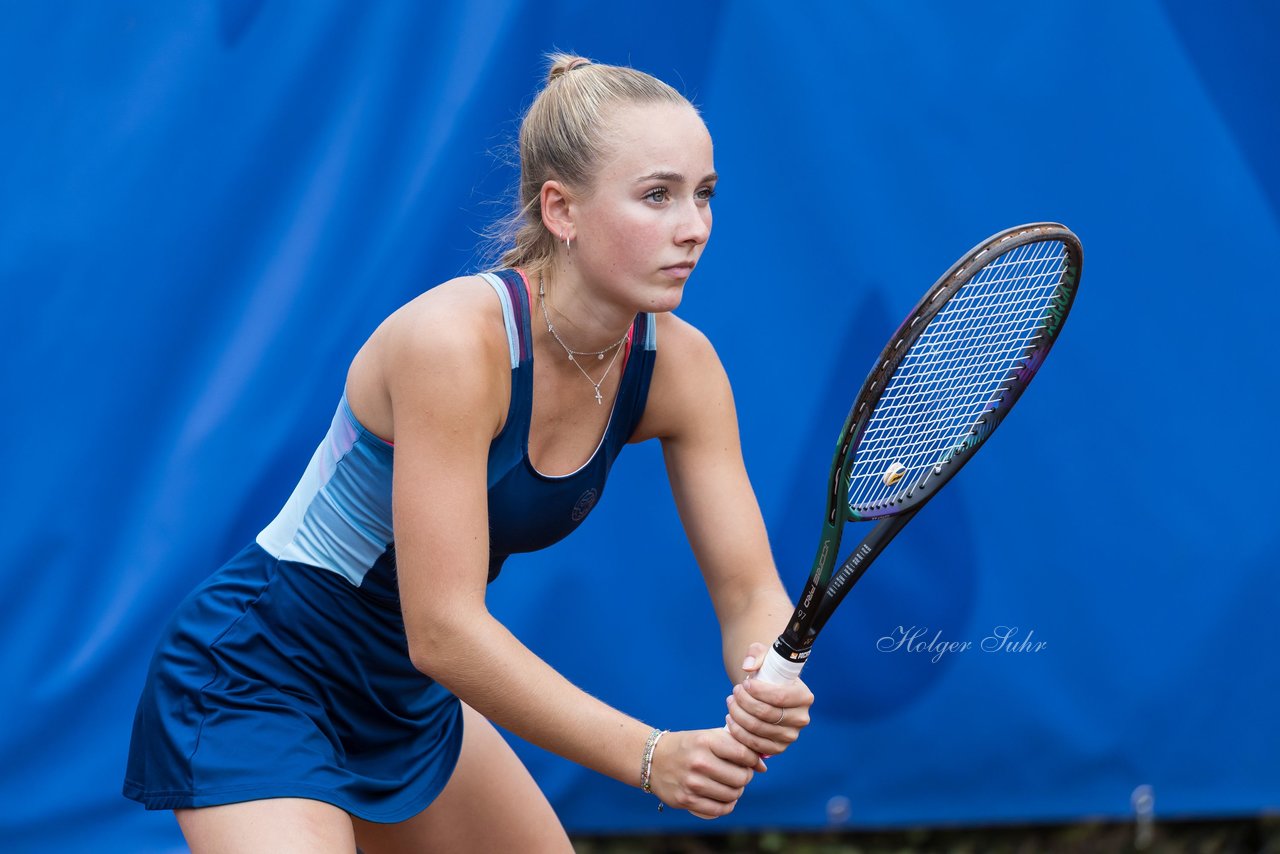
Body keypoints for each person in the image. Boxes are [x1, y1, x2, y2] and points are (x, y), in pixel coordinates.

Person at [123, 53, 814, 852]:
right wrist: (650, 756)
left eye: (704, 195)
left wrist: (765, 668)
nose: (693, 226)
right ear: (561, 209)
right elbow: (444, 630)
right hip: (261, 676)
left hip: (409, 697)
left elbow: (748, 590)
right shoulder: (454, 344)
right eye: (657, 195)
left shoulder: (682, 370)